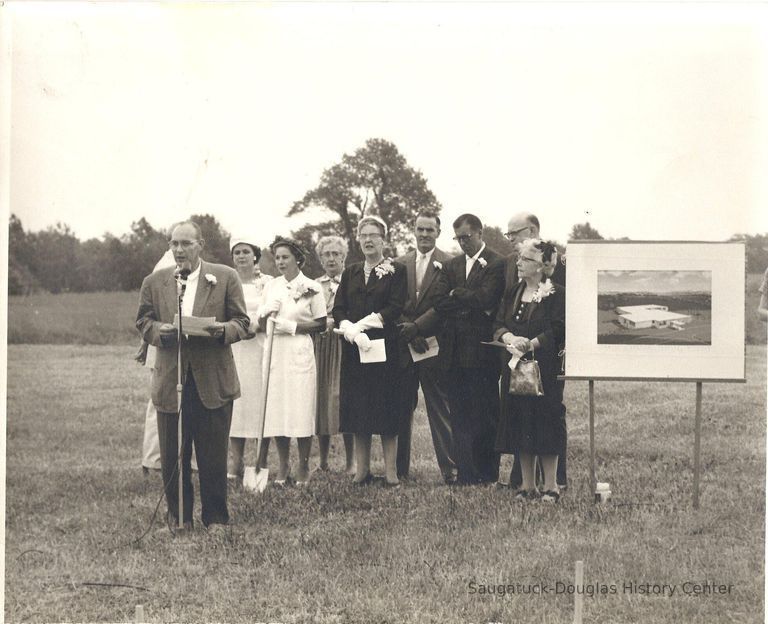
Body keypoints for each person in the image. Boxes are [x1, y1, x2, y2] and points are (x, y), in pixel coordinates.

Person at [136, 221, 250, 531]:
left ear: (200, 245)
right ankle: (179, 519)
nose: (179, 250)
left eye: (186, 243)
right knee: (173, 456)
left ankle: (216, 520)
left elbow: (242, 322)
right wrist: (161, 332)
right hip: (171, 381)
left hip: (213, 381)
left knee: (213, 456)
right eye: (174, 243)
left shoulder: (225, 277)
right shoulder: (155, 280)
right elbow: (143, 322)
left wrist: (220, 331)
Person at [420, 214, 505, 485]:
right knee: (459, 414)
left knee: (485, 414)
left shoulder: (495, 262)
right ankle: (466, 474)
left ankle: (487, 473)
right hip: (454, 352)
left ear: (480, 233)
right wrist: (462, 298)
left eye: (466, 237)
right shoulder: (451, 264)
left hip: (482, 353)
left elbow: (486, 298)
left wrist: (457, 294)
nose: (462, 243)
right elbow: (438, 300)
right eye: (458, 238)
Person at [333, 215, 407, 486]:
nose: (367, 240)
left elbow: (395, 307)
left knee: (386, 408)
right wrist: (349, 330)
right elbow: (339, 307)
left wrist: (359, 326)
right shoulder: (350, 271)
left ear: (383, 240)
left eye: (373, 235)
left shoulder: (396, 270)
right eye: (363, 235)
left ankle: (391, 472)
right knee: (358, 409)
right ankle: (362, 470)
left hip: (383, 348)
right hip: (354, 350)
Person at [493, 238, 566, 503]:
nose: (519, 263)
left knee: (546, 422)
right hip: (514, 368)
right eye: (519, 258)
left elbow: (558, 329)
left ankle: (551, 486)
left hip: (544, 369)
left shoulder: (557, 293)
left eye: (525, 259)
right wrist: (510, 338)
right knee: (520, 421)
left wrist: (531, 344)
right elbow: (499, 323)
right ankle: (526, 485)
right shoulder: (513, 291)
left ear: (541, 266)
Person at [256, 237, 326, 485]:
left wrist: (294, 327)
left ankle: (304, 466)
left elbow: (322, 322)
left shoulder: (311, 287)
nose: (281, 262)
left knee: (300, 409)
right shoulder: (271, 287)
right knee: (277, 409)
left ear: (297, 258)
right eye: (277, 258)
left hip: (298, 350)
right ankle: (283, 465)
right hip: (275, 351)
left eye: (285, 257)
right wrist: (265, 314)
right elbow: (261, 325)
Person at [395, 212, 456, 483]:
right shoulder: (399, 263)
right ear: (413, 230)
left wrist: (419, 327)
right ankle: (398, 469)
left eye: (429, 230)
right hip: (405, 344)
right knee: (401, 408)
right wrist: (408, 331)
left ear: (438, 232)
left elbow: (445, 306)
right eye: (420, 229)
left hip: (434, 345)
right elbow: (393, 303)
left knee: (439, 408)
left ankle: (450, 468)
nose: (424, 234)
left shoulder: (450, 264)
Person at [227, 237, 273, 481]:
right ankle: (236, 462)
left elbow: (272, 309)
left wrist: (254, 325)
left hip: (259, 347)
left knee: (259, 403)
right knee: (236, 404)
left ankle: (261, 459)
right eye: (237, 252)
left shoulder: (267, 283)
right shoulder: (226, 280)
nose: (241, 256)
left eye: (246, 252)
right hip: (235, 348)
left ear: (256, 255)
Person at [313, 235, 355, 473]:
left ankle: (351, 462)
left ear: (343, 257)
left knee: (343, 398)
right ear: (320, 259)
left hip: (344, 344)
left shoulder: (352, 281)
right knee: (321, 398)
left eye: (335, 254)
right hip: (320, 346)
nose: (331, 258)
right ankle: (323, 461)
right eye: (326, 254)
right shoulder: (314, 285)